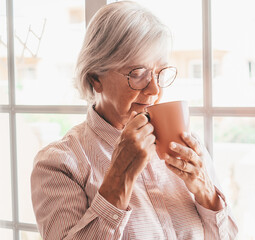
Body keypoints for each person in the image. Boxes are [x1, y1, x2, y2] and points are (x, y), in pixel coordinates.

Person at [31, 1, 238, 239]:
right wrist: (120, 176)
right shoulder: (60, 164)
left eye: (160, 73)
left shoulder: (187, 147)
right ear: (95, 78)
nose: (154, 90)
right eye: (137, 74)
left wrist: (206, 192)